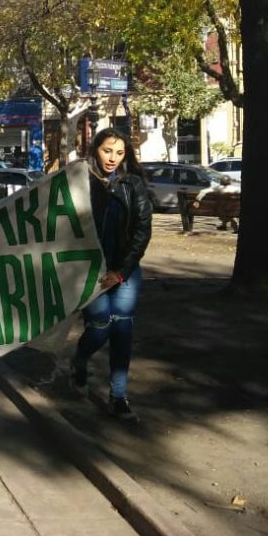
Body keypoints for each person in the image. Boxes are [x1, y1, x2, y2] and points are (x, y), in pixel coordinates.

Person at [70, 128, 153, 423]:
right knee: (101, 326)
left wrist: (121, 272)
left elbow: (142, 232)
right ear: (95, 148)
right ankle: (79, 361)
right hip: (90, 271)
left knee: (123, 330)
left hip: (125, 271)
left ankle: (118, 396)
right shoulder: (79, 181)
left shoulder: (133, 185)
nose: (112, 159)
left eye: (119, 153)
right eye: (107, 151)